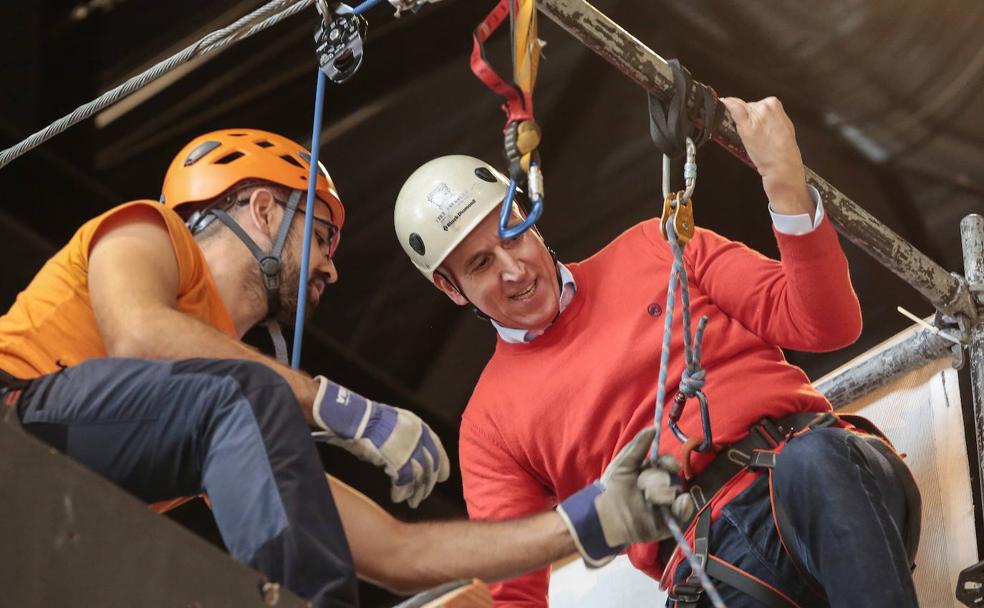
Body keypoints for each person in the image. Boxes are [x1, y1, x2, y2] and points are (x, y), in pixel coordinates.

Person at [0, 129, 684, 607]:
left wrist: (585, 524)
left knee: (248, 413)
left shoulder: (216, 412)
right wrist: (335, 405)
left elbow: (395, 553)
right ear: (263, 208)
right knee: (244, 396)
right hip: (13, 420)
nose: (332, 264)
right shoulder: (151, 232)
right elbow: (138, 333)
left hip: (43, 496)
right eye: (321, 233)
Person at [393, 97, 922, 607]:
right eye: (481, 264)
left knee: (814, 459)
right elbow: (514, 595)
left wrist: (785, 181)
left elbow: (826, 322)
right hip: (707, 566)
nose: (514, 269)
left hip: (812, 476)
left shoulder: (654, 245)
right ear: (450, 288)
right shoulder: (489, 426)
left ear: (531, 215)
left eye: (514, 233)